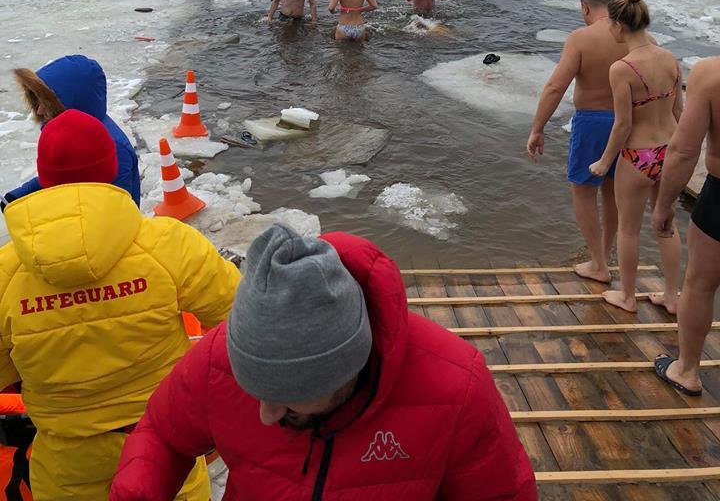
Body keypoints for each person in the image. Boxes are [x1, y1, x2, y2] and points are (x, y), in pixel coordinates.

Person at [110, 223, 537, 501]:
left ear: (346, 371)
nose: (265, 414)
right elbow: (162, 434)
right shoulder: (222, 358)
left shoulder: (454, 387)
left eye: (290, 402)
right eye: (255, 389)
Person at [0, 109, 240, 501]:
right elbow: (244, 327)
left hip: (65, 466)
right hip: (167, 453)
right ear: (112, 168)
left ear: (43, 177)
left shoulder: (7, 271)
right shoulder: (167, 243)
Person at [588, 0, 683, 313]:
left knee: (628, 229)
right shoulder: (670, 58)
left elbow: (623, 125)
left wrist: (603, 162)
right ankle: (672, 296)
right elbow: (678, 112)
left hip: (638, 155)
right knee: (666, 224)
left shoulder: (622, 68)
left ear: (619, 26)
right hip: (670, 150)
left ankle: (627, 297)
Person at [527, 0, 626, 284]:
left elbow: (556, 86)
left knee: (583, 192)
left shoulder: (582, 38)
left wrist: (537, 128)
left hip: (592, 122)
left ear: (585, 7)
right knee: (613, 193)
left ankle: (598, 264)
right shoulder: (634, 36)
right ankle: (605, 255)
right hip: (628, 123)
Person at [652, 57, 720, 396]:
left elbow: (682, 150)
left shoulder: (711, 73)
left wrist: (664, 206)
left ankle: (687, 369)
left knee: (700, 284)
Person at [2, 55, 141, 210]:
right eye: (37, 100)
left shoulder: (113, 148)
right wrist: (18, 195)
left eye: (46, 103)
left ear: (69, 103)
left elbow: (116, 213)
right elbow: (62, 175)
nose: (40, 110)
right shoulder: (74, 133)